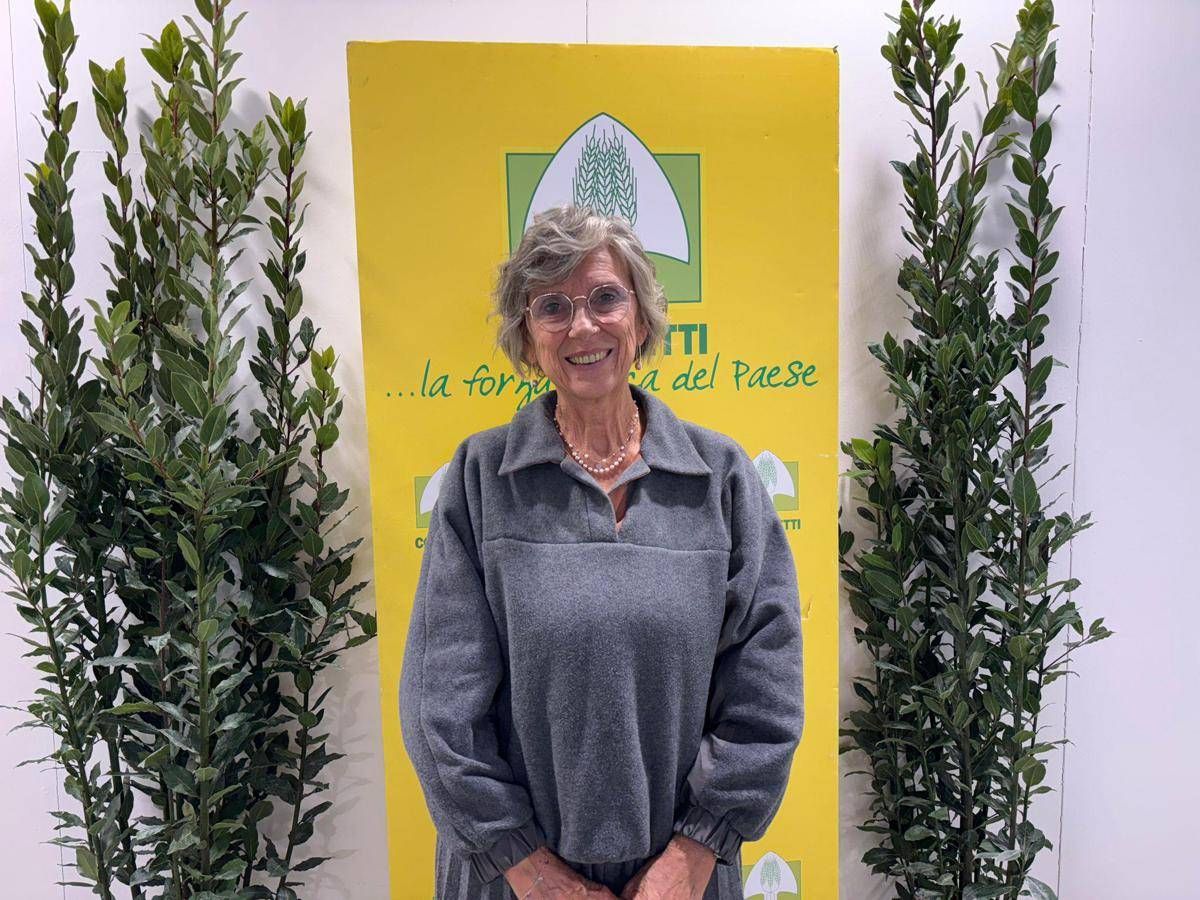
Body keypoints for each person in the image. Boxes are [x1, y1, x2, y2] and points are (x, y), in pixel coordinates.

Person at [399, 205, 805, 899]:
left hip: (680, 880)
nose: (582, 326)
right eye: (552, 307)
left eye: (605, 298)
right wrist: (530, 870)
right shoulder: (479, 479)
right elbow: (440, 709)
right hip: (511, 881)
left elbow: (766, 687)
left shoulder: (721, 478)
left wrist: (695, 852)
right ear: (528, 338)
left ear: (641, 319)